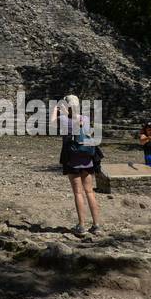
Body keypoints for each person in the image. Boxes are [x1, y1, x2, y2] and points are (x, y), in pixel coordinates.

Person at [53, 95, 101, 235]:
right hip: (87, 158)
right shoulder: (85, 119)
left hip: (72, 160)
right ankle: (96, 225)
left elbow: (52, 122)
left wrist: (56, 109)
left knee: (78, 193)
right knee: (90, 192)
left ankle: (81, 226)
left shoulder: (64, 120)